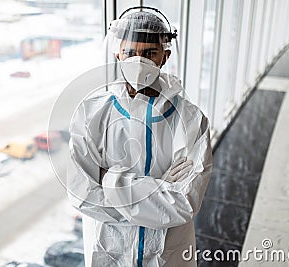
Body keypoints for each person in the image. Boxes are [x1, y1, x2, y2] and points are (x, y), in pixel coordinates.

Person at [67, 7, 213, 267]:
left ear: (164, 56)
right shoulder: (91, 114)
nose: (138, 61)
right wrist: (158, 189)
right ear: (118, 53)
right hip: (110, 251)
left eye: (149, 54)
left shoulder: (190, 120)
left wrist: (109, 180)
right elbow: (82, 195)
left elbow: (185, 203)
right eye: (131, 52)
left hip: (168, 253)